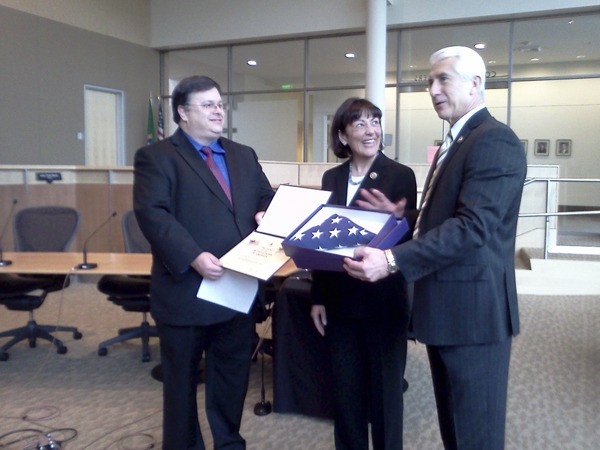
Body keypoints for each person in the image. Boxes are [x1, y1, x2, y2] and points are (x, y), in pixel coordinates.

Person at [344, 47, 527, 450]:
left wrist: (391, 259)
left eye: (443, 78)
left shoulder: (494, 139)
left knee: (474, 435)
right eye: (429, 80)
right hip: (449, 312)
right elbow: (447, 220)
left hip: (474, 319)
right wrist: (404, 219)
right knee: (455, 432)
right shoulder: (458, 139)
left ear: (476, 84)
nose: (433, 89)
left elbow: (473, 227)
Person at [133, 75, 274, 449]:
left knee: (231, 379)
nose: (218, 111)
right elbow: (153, 214)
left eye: (220, 104)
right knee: (180, 386)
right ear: (182, 112)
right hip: (186, 292)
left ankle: (228, 442)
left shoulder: (243, 154)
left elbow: (265, 195)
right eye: (208, 104)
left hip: (238, 289)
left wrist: (266, 211)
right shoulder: (156, 157)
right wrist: (193, 257)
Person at [310, 97, 417, 450]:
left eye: (375, 121)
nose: (371, 130)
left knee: (386, 397)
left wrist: (398, 217)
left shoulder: (401, 175)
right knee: (346, 395)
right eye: (359, 124)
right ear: (342, 135)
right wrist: (318, 298)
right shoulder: (332, 177)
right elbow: (324, 241)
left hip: (384, 304)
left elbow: (414, 238)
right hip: (340, 304)